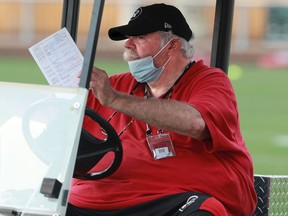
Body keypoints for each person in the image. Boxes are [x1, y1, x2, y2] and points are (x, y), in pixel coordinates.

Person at [66, 3, 257, 216]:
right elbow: (57, 134)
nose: (128, 45)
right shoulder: (115, 85)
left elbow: (195, 123)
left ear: (172, 45)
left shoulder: (210, 81)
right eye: (129, 38)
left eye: (139, 38)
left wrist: (114, 99)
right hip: (91, 202)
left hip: (171, 202)